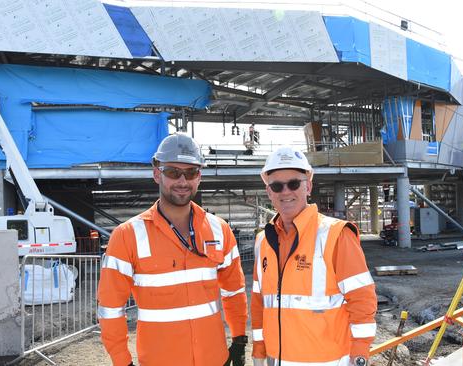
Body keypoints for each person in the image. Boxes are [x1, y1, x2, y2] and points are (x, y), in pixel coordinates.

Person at [97, 134, 248, 366]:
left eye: (190, 173)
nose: (182, 181)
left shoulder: (220, 230)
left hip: (214, 359)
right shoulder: (127, 236)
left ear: (199, 176)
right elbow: (110, 308)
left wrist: (239, 340)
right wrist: (122, 361)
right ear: (157, 173)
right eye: (173, 172)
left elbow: (234, 292)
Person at [251, 146, 377, 366]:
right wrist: (259, 351)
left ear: (308, 186)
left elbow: (362, 300)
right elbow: (259, 303)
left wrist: (359, 356)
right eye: (277, 186)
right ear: (269, 191)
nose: (286, 192)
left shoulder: (336, 235)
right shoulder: (263, 241)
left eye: (293, 184)